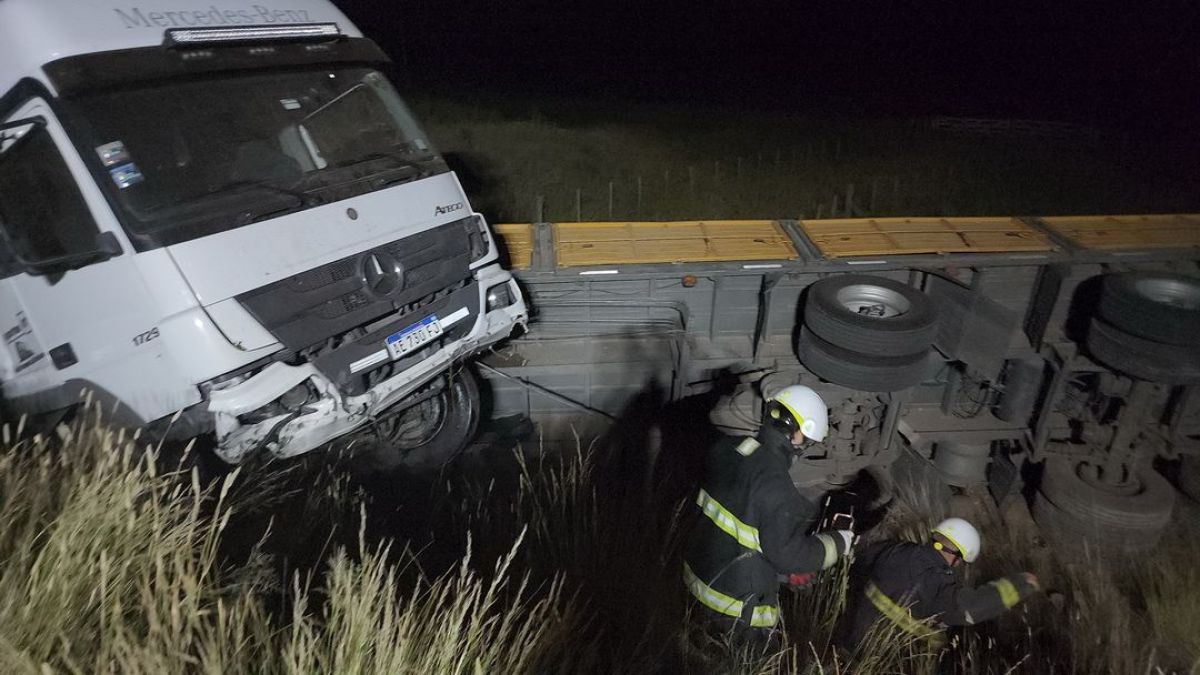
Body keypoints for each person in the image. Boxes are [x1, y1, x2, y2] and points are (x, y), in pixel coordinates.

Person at [684, 385, 854, 649]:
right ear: (797, 435)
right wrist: (838, 542)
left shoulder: (727, 448)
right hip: (737, 611)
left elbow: (741, 526)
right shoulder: (779, 490)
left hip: (697, 583)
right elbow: (789, 557)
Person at [841, 517, 1039, 651]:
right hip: (889, 657)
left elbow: (861, 558)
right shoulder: (937, 584)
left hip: (852, 640)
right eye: (960, 560)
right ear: (957, 556)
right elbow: (971, 609)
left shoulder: (895, 549)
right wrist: (1020, 585)